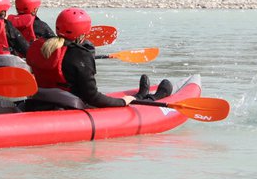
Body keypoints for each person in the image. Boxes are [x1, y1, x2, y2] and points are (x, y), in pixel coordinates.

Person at [24, 7, 172, 110]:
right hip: (69, 105)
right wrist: (122, 102)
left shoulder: (39, 45)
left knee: (125, 99)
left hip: (41, 101)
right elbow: (92, 97)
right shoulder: (79, 55)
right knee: (126, 102)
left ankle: (140, 95)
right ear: (82, 34)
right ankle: (151, 98)